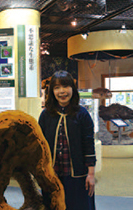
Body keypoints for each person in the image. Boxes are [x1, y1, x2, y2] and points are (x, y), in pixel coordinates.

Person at [38, 70, 96, 210]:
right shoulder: (46, 115)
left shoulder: (82, 114)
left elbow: (88, 144)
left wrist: (91, 174)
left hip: (77, 174)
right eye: (57, 88)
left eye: (65, 86)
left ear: (72, 89)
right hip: (52, 175)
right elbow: (40, 145)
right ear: (52, 91)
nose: (62, 91)